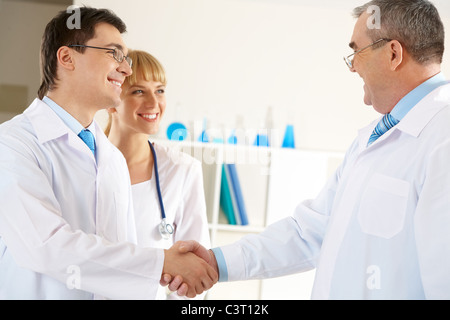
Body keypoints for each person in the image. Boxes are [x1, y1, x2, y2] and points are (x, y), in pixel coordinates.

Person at [168, 0, 450, 299]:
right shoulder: (374, 138)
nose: (353, 66)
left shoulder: (441, 138)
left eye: (357, 51)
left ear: (393, 53)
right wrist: (215, 262)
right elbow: (310, 232)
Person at [0, 6, 216, 299]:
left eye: (125, 57)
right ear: (66, 58)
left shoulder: (110, 157)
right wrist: (163, 262)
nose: (125, 68)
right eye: (114, 54)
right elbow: (45, 246)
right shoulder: (13, 144)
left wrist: (167, 271)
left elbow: (120, 258)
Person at [105, 49, 211, 300]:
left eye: (160, 90)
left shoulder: (182, 170)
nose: (154, 103)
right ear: (111, 100)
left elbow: (195, 272)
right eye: (138, 91)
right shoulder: (82, 163)